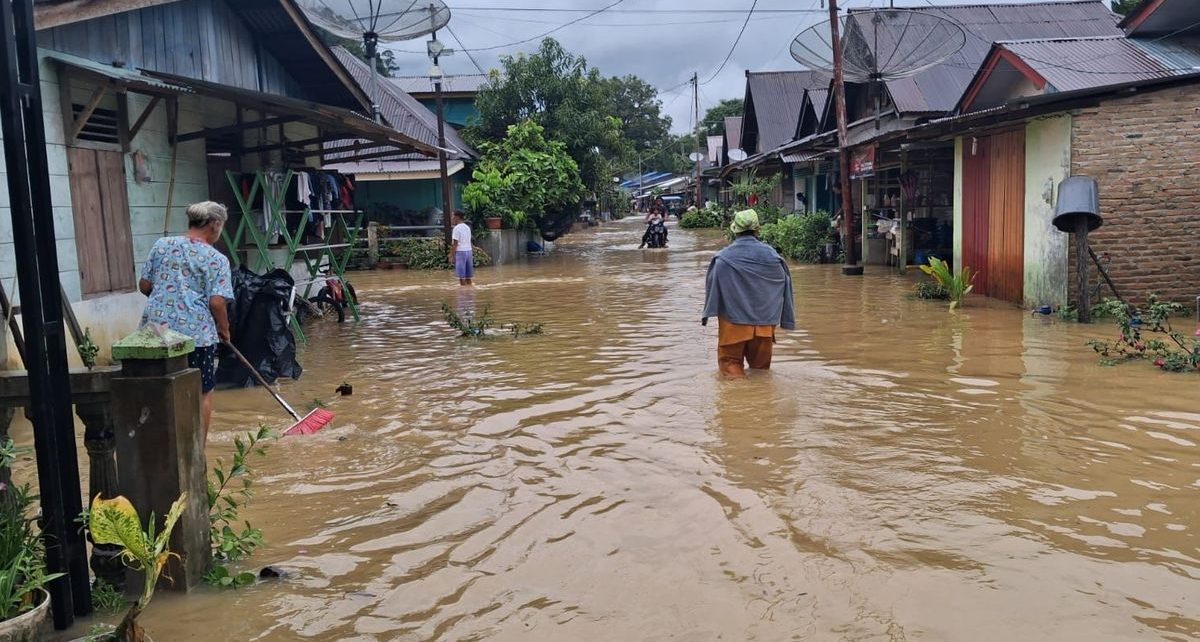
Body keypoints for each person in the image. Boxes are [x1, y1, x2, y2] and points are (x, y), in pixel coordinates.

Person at [138, 201, 234, 438]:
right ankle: (196, 454)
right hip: (197, 338)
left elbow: (144, 285)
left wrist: (165, 299)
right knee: (201, 393)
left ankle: (158, 446)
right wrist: (224, 329)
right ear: (215, 224)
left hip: (155, 334)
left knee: (156, 390)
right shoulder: (217, 259)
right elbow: (216, 302)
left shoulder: (161, 245)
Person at [701, 209, 795, 378]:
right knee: (761, 374)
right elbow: (785, 289)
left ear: (734, 229)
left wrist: (707, 316)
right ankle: (762, 403)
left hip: (733, 325)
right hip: (765, 326)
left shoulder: (722, 259)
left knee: (731, 367)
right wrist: (786, 320)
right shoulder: (774, 258)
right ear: (758, 229)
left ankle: (742, 404)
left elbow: (713, 292)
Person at [448, 210, 474, 286]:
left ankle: (463, 293)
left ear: (457, 217)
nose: (452, 218)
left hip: (460, 252)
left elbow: (455, 244)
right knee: (468, 277)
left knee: (461, 277)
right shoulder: (467, 227)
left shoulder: (456, 229)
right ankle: (470, 291)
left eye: (453, 216)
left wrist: (451, 256)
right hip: (469, 252)